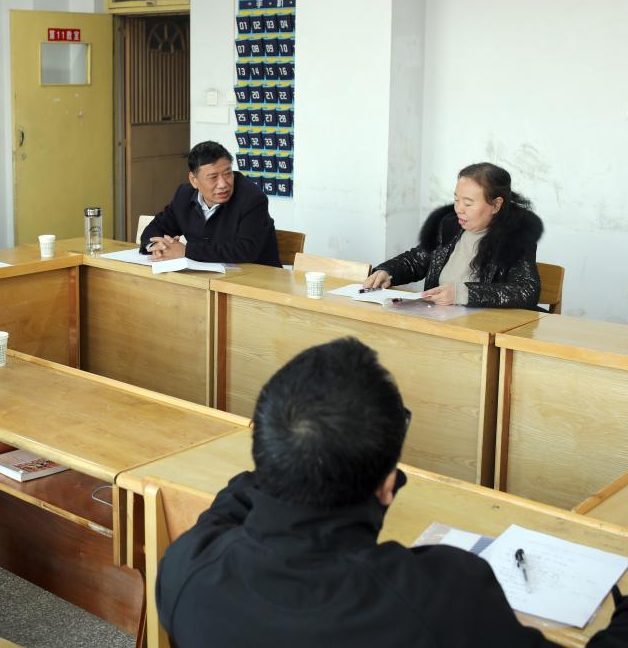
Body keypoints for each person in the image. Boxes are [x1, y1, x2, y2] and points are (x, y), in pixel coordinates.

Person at [156, 337, 628, 647]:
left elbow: (235, 501)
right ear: (386, 485)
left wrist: (289, 459)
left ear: (264, 448)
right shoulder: (440, 597)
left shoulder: (186, 568)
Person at [364, 162, 543, 308]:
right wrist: (388, 272)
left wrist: (463, 294)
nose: (459, 209)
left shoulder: (515, 238)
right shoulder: (449, 227)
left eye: (468, 203)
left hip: (481, 329)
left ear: (496, 205)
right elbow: (417, 260)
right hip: (437, 321)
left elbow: (526, 290)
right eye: (456, 200)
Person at [139, 141, 280, 267]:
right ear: (193, 180)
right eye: (213, 177)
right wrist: (158, 246)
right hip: (205, 277)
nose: (223, 184)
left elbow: (246, 250)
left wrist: (186, 251)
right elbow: (156, 227)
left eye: (228, 174)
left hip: (255, 278)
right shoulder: (184, 195)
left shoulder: (252, 198)